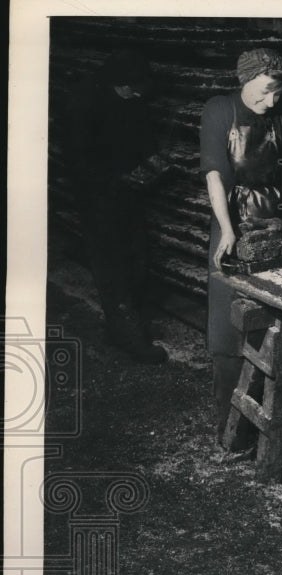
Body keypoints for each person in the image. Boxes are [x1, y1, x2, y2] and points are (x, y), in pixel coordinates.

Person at [199, 48, 282, 447]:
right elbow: (215, 176)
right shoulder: (219, 110)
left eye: (279, 92)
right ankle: (232, 432)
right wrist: (227, 230)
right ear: (247, 79)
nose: (272, 101)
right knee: (228, 327)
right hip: (232, 220)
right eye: (267, 90)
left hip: (277, 222)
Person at [64, 50, 168, 363]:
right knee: (113, 264)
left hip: (128, 191)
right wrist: (116, 179)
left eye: (139, 90)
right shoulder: (82, 102)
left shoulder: (131, 94)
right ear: (114, 82)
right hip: (97, 196)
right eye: (130, 89)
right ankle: (127, 335)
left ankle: (120, 327)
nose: (135, 95)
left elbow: (143, 135)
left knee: (137, 256)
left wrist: (153, 162)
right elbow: (78, 161)